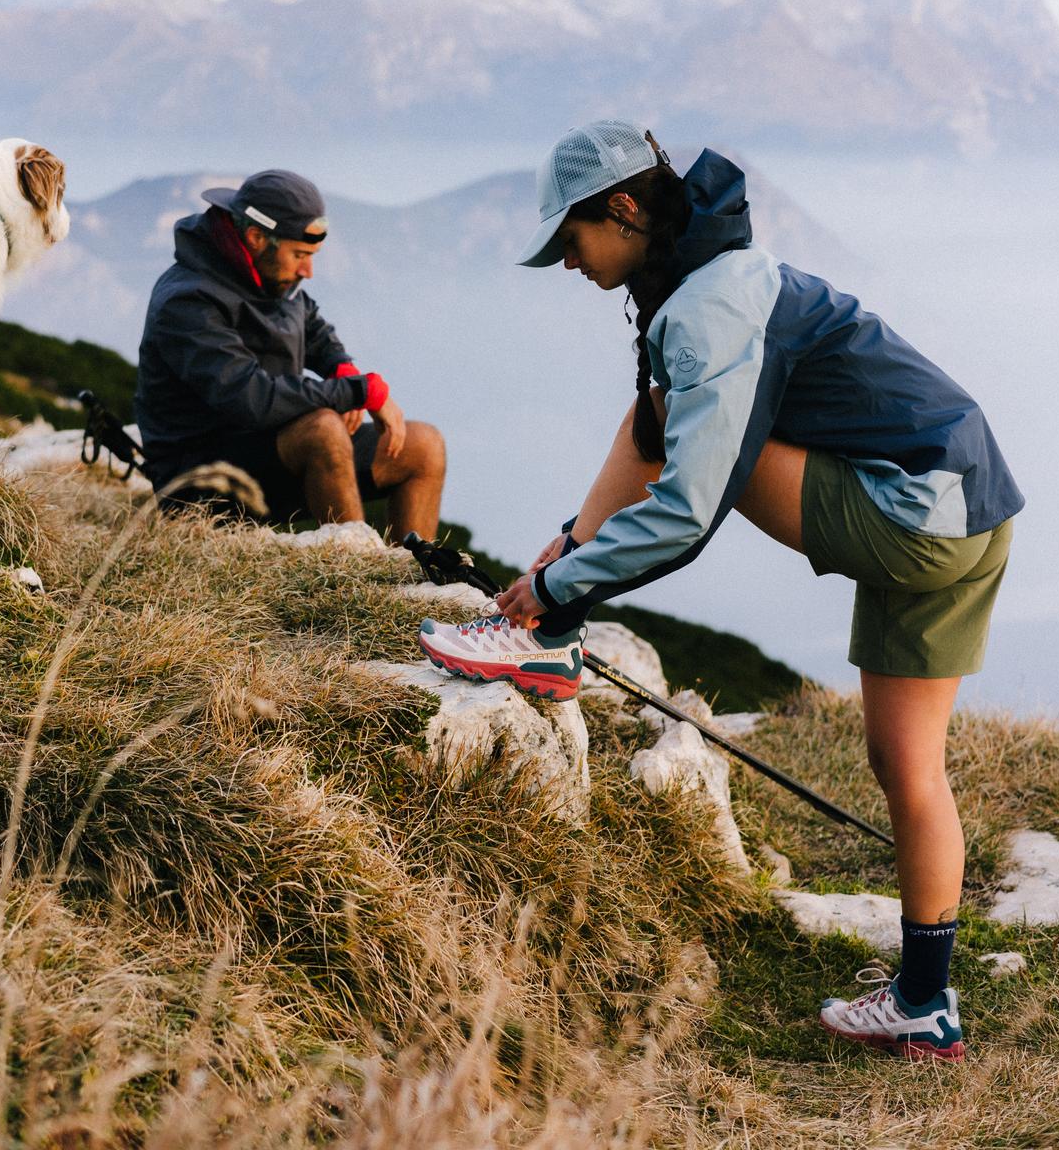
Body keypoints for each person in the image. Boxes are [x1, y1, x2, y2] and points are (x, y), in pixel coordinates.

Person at [417, 121, 1023, 1063]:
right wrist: (567, 547)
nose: (569, 265)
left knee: (710, 458)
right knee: (907, 762)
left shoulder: (706, 308)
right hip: (973, 507)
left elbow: (688, 509)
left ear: (621, 209)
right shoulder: (713, 276)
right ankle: (926, 1000)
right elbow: (655, 423)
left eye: (572, 241)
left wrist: (555, 590)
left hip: (912, 512)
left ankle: (546, 636)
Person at [133, 170, 446, 539]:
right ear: (255, 237)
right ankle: (359, 573)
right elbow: (253, 398)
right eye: (299, 255)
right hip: (203, 482)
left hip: (271, 452)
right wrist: (359, 392)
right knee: (323, 430)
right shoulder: (188, 301)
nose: (308, 270)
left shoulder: (269, 273)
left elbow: (308, 322)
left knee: (424, 446)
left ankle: (414, 580)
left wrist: (340, 367)